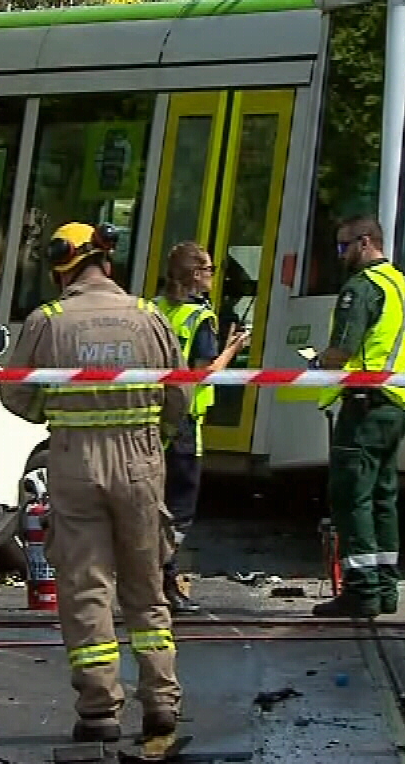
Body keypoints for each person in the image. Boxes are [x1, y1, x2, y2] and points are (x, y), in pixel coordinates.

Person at [0, 222, 191, 748]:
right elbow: (179, 398)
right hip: (139, 463)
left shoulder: (48, 320)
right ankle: (162, 705)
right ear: (107, 261)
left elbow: (15, 397)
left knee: (87, 588)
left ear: (62, 267)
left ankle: (99, 711)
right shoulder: (150, 317)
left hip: (75, 464)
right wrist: (155, 434)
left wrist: (57, 413)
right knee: (146, 588)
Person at [307, 216, 405, 620]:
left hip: (365, 404)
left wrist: (319, 361)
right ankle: (387, 588)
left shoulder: (362, 288)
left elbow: (343, 349)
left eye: (343, 247)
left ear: (364, 242)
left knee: (351, 497)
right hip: (398, 403)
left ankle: (361, 592)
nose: (339, 255)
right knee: (383, 498)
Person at [152, 241, 251, 616]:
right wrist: (234, 348)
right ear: (195, 275)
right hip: (184, 423)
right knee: (180, 510)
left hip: (152, 418)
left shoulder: (154, 309)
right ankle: (165, 577)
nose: (212, 275)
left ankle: (158, 576)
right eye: (208, 269)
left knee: (155, 504)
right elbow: (204, 371)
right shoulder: (200, 318)